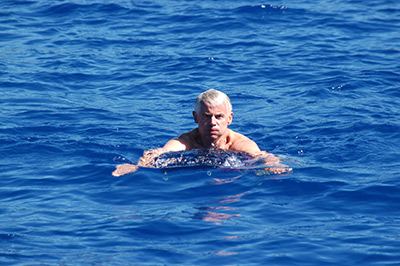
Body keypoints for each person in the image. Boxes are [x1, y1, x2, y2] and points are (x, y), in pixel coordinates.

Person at [112, 89, 290, 176]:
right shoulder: (187, 141)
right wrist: (138, 166)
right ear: (196, 117)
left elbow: (262, 155)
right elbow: (159, 152)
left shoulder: (238, 143)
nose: (212, 122)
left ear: (230, 118)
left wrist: (273, 164)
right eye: (206, 116)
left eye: (219, 116)